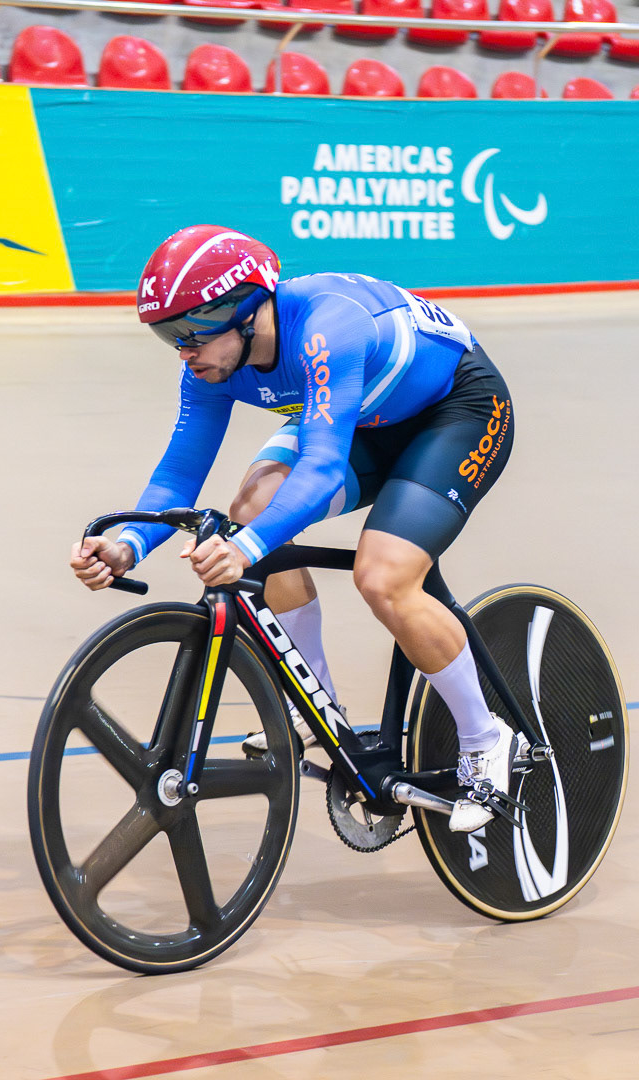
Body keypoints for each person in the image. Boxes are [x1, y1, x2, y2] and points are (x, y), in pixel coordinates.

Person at [71, 224, 516, 832]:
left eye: (191, 332)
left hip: (454, 413)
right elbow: (178, 476)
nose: (183, 350)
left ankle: (486, 738)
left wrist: (245, 548)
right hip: (355, 413)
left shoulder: (329, 325)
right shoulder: (210, 367)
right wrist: (126, 546)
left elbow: (323, 464)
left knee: (383, 578)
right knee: (254, 501)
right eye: (166, 335)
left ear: (247, 310)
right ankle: (316, 706)